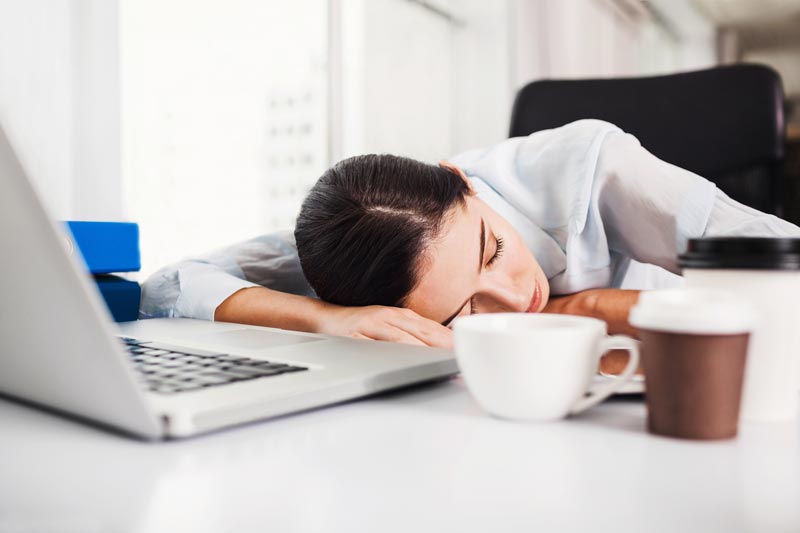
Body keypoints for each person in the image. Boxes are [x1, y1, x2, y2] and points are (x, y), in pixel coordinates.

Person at [140, 119, 800, 369]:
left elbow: (784, 267)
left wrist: (590, 307)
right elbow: (170, 283)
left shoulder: (595, 168)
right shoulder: (356, 250)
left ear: (464, 183)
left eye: (491, 251)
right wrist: (324, 316)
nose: (516, 295)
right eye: (463, 312)